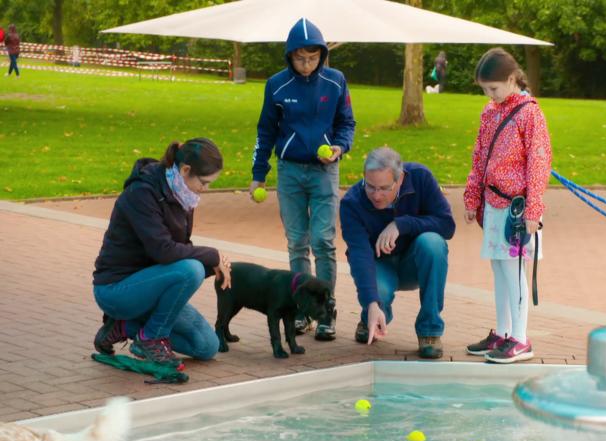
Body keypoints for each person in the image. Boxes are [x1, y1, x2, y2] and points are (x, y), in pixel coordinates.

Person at [250, 17, 355, 341]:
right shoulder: (276, 85)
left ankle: (327, 312)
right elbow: (265, 130)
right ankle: (301, 310)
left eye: (313, 57)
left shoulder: (336, 81)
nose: (307, 64)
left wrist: (339, 147)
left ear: (322, 55)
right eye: (300, 57)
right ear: (290, 56)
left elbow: (346, 124)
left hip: (324, 173)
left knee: (323, 242)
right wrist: (258, 175)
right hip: (289, 172)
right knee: (297, 243)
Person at [93, 138, 231, 369]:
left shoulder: (182, 194)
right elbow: (164, 251)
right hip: (116, 290)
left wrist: (213, 265)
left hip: (152, 287)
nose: (205, 189)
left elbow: (180, 249)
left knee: (207, 346)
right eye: (204, 182)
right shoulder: (142, 192)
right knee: (192, 269)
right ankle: (152, 337)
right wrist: (211, 256)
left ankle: (126, 329)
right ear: (186, 170)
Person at [463, 48, 553, 364]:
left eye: (494, 88)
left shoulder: (530, 113)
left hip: (517, 209)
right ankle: (502, 332)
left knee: (514, 272)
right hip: (492, 203)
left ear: (512, 79)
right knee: (499, 269)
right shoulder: (489, 113)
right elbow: (479, 157)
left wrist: (533, 211)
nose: (490, 95)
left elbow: (539, 163)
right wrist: (472, 197)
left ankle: (520, 338)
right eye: (485, 90)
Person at [340, 147, 455, 359]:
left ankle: (429, 331)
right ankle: (374, 314)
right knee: (377, 297)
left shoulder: (420, 178)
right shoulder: (351, 203)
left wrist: (401, 224)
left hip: (414, 262)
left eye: (384, 188)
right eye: (370, 186)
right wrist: (371, 303)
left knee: (433, 243)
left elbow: (447, 225)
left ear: (400, 179)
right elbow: (359, 256)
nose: (376, 195)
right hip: (379, 265)